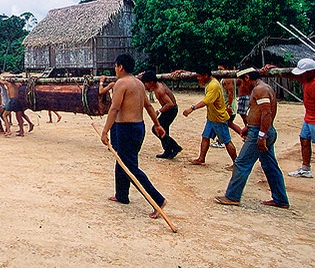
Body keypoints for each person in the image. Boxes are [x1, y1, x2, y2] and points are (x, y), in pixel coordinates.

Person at [100, 54, 167, 219]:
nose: (115, 70)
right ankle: (121, 194)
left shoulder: (121, 83)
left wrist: (104, 131)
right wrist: (157, 125)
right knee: (122, 160)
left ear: (120, 67)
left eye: (115, 66)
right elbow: (149, 106)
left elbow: (114, 109)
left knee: (130, 166)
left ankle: (158, 200)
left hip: (127, 128)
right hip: (138, 127)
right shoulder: (138, 83)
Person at [215, 68, 290, 208]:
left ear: (247, 78)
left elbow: (266, 113)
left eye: (242, 82)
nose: (242, 86)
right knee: (270, 166)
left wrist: (261, 135)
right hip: (262, 130)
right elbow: (262, 113)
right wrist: (249, 127)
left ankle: (232, 196)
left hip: (260, 132)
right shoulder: (265, 88)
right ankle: (280, 199)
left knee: (242, 163)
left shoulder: (259, 90)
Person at [183, 64, 238, 167]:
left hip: (218, 118)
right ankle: (201, 158)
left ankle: (236, 163)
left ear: (206, 75)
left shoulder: (213, 85)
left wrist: (192, 108)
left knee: (226, 141)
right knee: (205, 136)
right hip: (212, 117)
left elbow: (206, 101)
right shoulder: (210, 83)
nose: (198, 79)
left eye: (199, 76)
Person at [140, 70, 183, 159]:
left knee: (156, 129)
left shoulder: (160, 89)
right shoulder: (157, 86)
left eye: (146, 83)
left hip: (170, 110)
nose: (145, 86)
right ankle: (167, 150)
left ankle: (175, 147)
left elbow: (170, 104)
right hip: (168, 110)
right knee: (164, 129)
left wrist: (159, 111)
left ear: (151, 82)